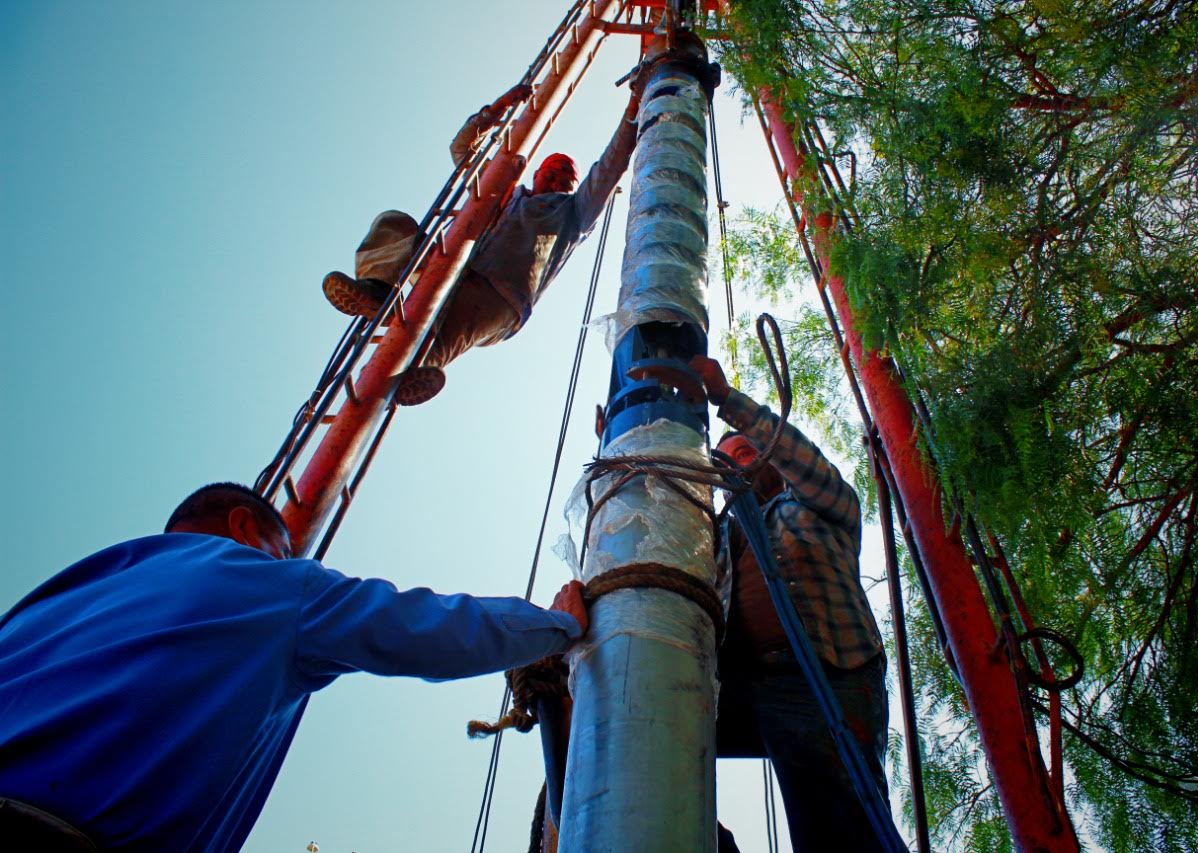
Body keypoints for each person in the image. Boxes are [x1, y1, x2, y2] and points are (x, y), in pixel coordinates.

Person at [0, 482, 588, 852]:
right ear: (243, 527)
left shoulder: (61, 595)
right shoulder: (271, 586)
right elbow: (423, 628)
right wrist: (555, 625)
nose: (290, 563)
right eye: (286, 549)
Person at [322, 81, 641, 406]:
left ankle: (419, 372)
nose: (557, 182)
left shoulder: (573, 213)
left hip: (499, 292)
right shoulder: (504, 188)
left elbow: (610, 166)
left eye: (565, 181)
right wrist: (499, 107)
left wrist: (633, 109)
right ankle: (378, 291)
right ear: (537, 173)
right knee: (394, 223)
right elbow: (462, 149)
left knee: (443, 335)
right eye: (552, 173)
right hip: (456, 262)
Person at [688, 356, 889, 853]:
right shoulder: (719, 541)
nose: (733, 464)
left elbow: (806, 463)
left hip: (829, 675)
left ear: (768, 458)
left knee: (839, 830)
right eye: (725, 460)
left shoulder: (818, 506)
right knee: (637, 728)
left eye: (744, 452)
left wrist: (728, 401)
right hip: (747, 684)